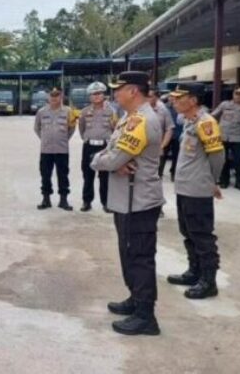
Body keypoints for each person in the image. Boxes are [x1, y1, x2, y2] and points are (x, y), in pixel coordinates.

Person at [91, 71, 164, 336]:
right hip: (126, 200)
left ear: (133, 91)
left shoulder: (142, 121)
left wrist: (104, 162)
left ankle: (146, 316)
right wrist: (108, 160)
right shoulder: (128, 118)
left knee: (140, 258)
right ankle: (136, 300)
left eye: (118, 89)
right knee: (128, 253)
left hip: (139, 202)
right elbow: (111, 153)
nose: (115, 93)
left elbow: (112, 159)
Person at [166, 83, 225, 299]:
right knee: (188, 232)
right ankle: (195, 272)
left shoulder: (206, 123)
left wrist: (213, 181)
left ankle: (209, 282)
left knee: (202, 236)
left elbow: (217, 155)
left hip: (198, 189)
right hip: (185, 188)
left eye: (179, 97)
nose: (174, 101)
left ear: (193, 100)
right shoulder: (189, 121)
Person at [34, 87, 76, 211]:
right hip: (46, 150)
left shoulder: (68, 111)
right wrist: (45, 139)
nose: (54, 98)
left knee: (63, 175)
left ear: (61, 97)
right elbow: (37, 127)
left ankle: (63, 200)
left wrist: (63, 139)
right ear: (48, 97)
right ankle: (46, 199)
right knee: (45, 175)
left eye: (57, 96)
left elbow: (72, 128)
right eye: (52, 96)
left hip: (62, 150)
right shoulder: (41, 112)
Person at [78, 82, 117, 213]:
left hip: (105, 146)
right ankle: (87, 201)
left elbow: (116, 129)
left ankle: (106, 202)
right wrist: (86, 139)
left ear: (104, 95)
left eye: (99, 93)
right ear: (90, 97)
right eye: (94, 94)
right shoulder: (84, 112)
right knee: (87, 175)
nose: (96, 96)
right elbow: (81, 129)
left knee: (105, 176)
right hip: (89, 145)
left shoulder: (112, 111)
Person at [211, 87, 240, 190]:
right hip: (222, 136)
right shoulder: (224, 104)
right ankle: (224, 181)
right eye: (237, 93)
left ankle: (239, 182)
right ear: (233, 94)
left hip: (238, 138)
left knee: (239, 160)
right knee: (223, 160)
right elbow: (213, 116)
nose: (238, 96)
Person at [148, 90, 175, 179]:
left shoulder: (163, 111)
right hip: (144, 146)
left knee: (157, 175)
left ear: (156, 97)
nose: (148, 98)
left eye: (150, 96)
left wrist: (163, 146)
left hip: (159, 146)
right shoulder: (141, 110)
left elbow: (169, 128)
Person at [162, 93, 182, 181]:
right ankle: (159, 173)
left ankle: (173, 173)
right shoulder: (164, 108)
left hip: (177, 135)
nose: (172, 99)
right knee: (162, 155)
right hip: (166, 135)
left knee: (176, 156)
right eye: (171, 97)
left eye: (174, 97)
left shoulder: (181, 107)